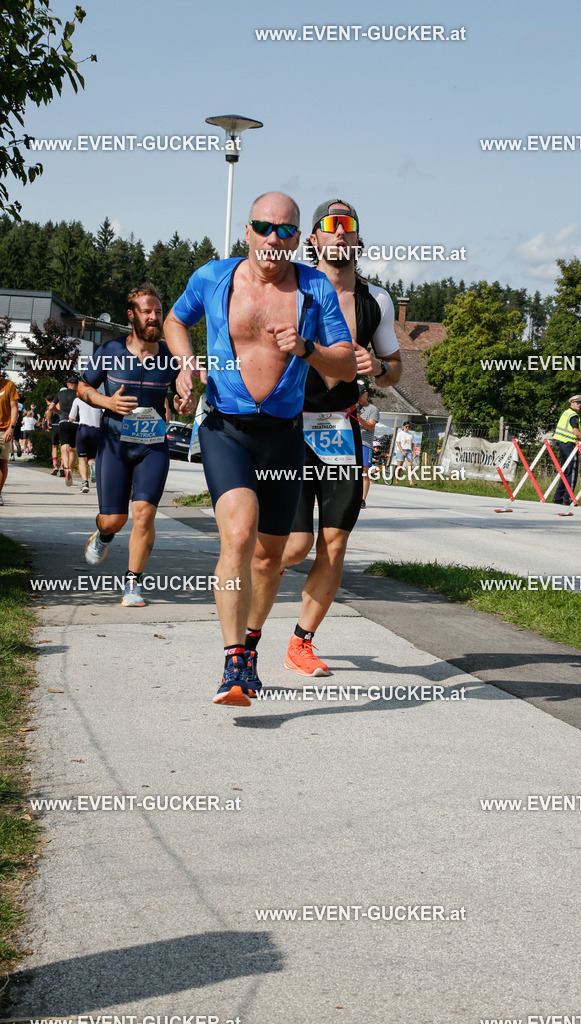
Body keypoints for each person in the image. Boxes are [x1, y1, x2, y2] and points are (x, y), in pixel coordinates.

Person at [163, 191, 357, 706]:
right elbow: (175, 321)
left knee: (270, 560)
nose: (274, 239)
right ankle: (231, 665)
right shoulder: (212, 277)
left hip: (284, 438)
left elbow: (345, 365)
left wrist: (307, 348)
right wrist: (185, 364)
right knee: (240, 534)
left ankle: (250, 648)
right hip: (226, 429)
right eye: (263, 228)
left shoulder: (314, 288)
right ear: (246, 231)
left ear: (298, 238)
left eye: (286, 230)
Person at [281, 199, 402, 676]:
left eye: (347, 226)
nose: (339, 234)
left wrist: (380, 368)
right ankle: (242, 600)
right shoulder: (292, 288)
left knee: (334, 542)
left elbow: (395, 370)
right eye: (329, 227)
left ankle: (301, 642)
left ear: (357, 237)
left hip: (340, 429)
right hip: (289, 426)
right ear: (313, 239)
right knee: (292, 547)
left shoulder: (377, 300)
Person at [77, 285, 196, 605]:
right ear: (132, 315)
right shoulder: (111, 351)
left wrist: (186, 402)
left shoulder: (171, 357)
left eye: (158, 311)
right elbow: (82, 386)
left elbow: (182, 395)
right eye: (147, 312)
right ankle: (103, 535)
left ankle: (132, 584)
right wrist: (106, 402)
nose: (154, 317)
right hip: (115, 445)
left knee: (144, 515)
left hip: (152, 446)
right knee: (114, 520)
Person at [552, 394, 581, 505]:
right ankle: (568, 498)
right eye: (577, 402)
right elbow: (576, 433)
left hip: (562, 445)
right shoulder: (573, 416)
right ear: (572, 402)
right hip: (570, 446)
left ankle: (558, 497)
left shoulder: (565, 413)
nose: (579, 405)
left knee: (565, 471)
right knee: (572, 472)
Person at [49, 375, 80, 486]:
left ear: (67, 384)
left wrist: (59, 412)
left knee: (64, 446)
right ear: (77, 385)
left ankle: (66, 467)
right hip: (76, 423)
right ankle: (71, 469)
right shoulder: (79, 394)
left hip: (63, 422)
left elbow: (50, 407)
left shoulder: (60, 394)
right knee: (72, 449)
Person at [69, 395, 102, 493]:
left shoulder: (78, 399)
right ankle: (93, 466)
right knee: (92, 458)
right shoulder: (99, 398)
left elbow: (71, 418)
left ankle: (85, 483)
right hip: (96, 430)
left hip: (83, 429)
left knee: (82, 459)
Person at [357, 383, 380, 508]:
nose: (358, 398)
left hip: (365, 443)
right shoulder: (352, 407)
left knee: (364, 472)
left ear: (365, 394)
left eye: (360, 396)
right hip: (351, 443)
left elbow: (370, 426)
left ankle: (362, 499)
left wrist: (359, 418)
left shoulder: (373, 409)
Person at [0, 374, 20, 506]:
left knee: (2, 464)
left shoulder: (9, 385)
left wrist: (11, 428)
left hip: (3, 431)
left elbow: (14, 408)